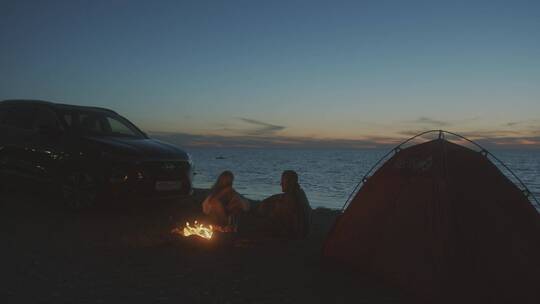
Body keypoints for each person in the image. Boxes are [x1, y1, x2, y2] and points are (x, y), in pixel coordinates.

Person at [256, 170, 312, 238]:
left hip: (292, 237)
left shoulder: (291, 200)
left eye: (283, 181)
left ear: (290, 183)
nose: (281, 184)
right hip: (300, 233)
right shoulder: (301, 194)